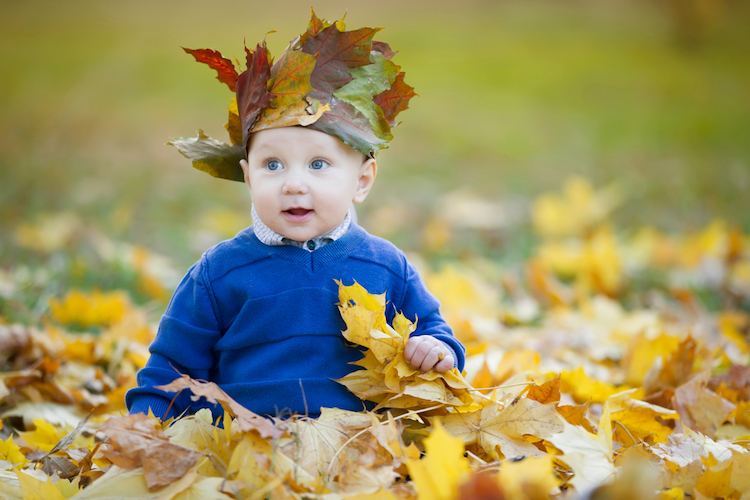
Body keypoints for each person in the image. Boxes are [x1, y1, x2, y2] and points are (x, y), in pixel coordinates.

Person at [125, 11, 466, 421]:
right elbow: (170, 372)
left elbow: (435, 335)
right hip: (246, 452)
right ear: (248, 177)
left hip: (360, 453)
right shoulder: (219, 273)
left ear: (362, 181)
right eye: (273, 165)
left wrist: (436, 350)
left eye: (318, 164)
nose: (293, 184)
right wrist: (143, 434)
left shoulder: (386, 266)